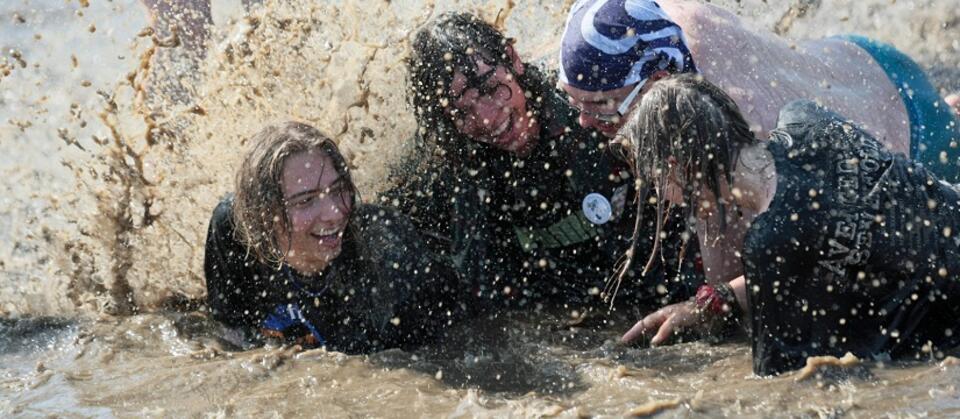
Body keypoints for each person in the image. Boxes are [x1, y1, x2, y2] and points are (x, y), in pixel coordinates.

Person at [617, 74, 960, 375]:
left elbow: (791, 385)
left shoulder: (770, 244)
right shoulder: (804, 116)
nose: (661, 197)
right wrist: (719, 300)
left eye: (655, 179)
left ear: (677, 165)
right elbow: (838, 238)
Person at [381, 12, 701, 314]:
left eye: (492, 89)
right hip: (556, 301)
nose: (489, 120)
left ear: (514, 59)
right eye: (462, 113)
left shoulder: (588, 107)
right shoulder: (444, 161)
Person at [558, 0, 960, 184]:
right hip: (868, 59)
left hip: (920, 143)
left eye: (603, 106)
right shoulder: (656, 19)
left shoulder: (722, 118)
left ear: (658, 84)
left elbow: (766, 262)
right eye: (571, 99)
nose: (584, 120)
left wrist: (708, 303)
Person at [204, 121, 463, 352]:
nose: (335, 212)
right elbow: (231, 331)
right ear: (262, 215)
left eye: (338, 189)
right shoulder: (232, 230)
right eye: (305, 200)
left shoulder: (383, 265)